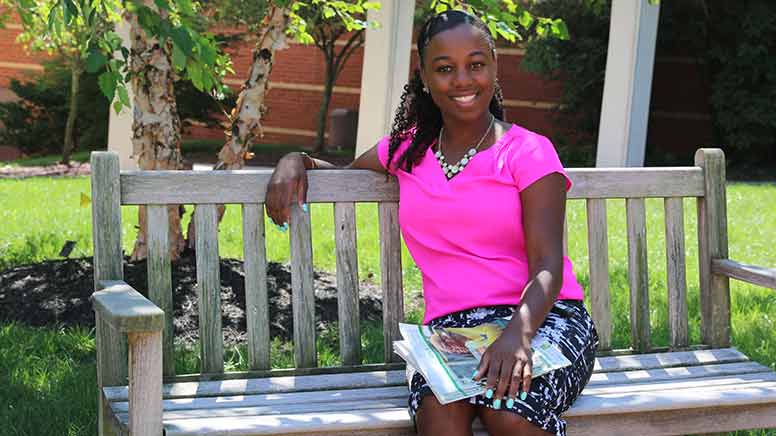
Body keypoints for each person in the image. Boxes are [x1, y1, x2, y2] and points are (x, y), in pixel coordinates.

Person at [265, 10, 598, 436]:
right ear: (424, 77)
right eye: (445, 69)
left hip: (542, 319)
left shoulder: (528, 152)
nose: (462, 80)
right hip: (454, 331)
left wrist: (518, 334)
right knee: (441, 414)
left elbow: (548, 263)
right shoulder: (410, 149)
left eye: (476, 65)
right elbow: (339, 171)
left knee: (507, 409)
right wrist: (296, 160)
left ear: (494, 68)